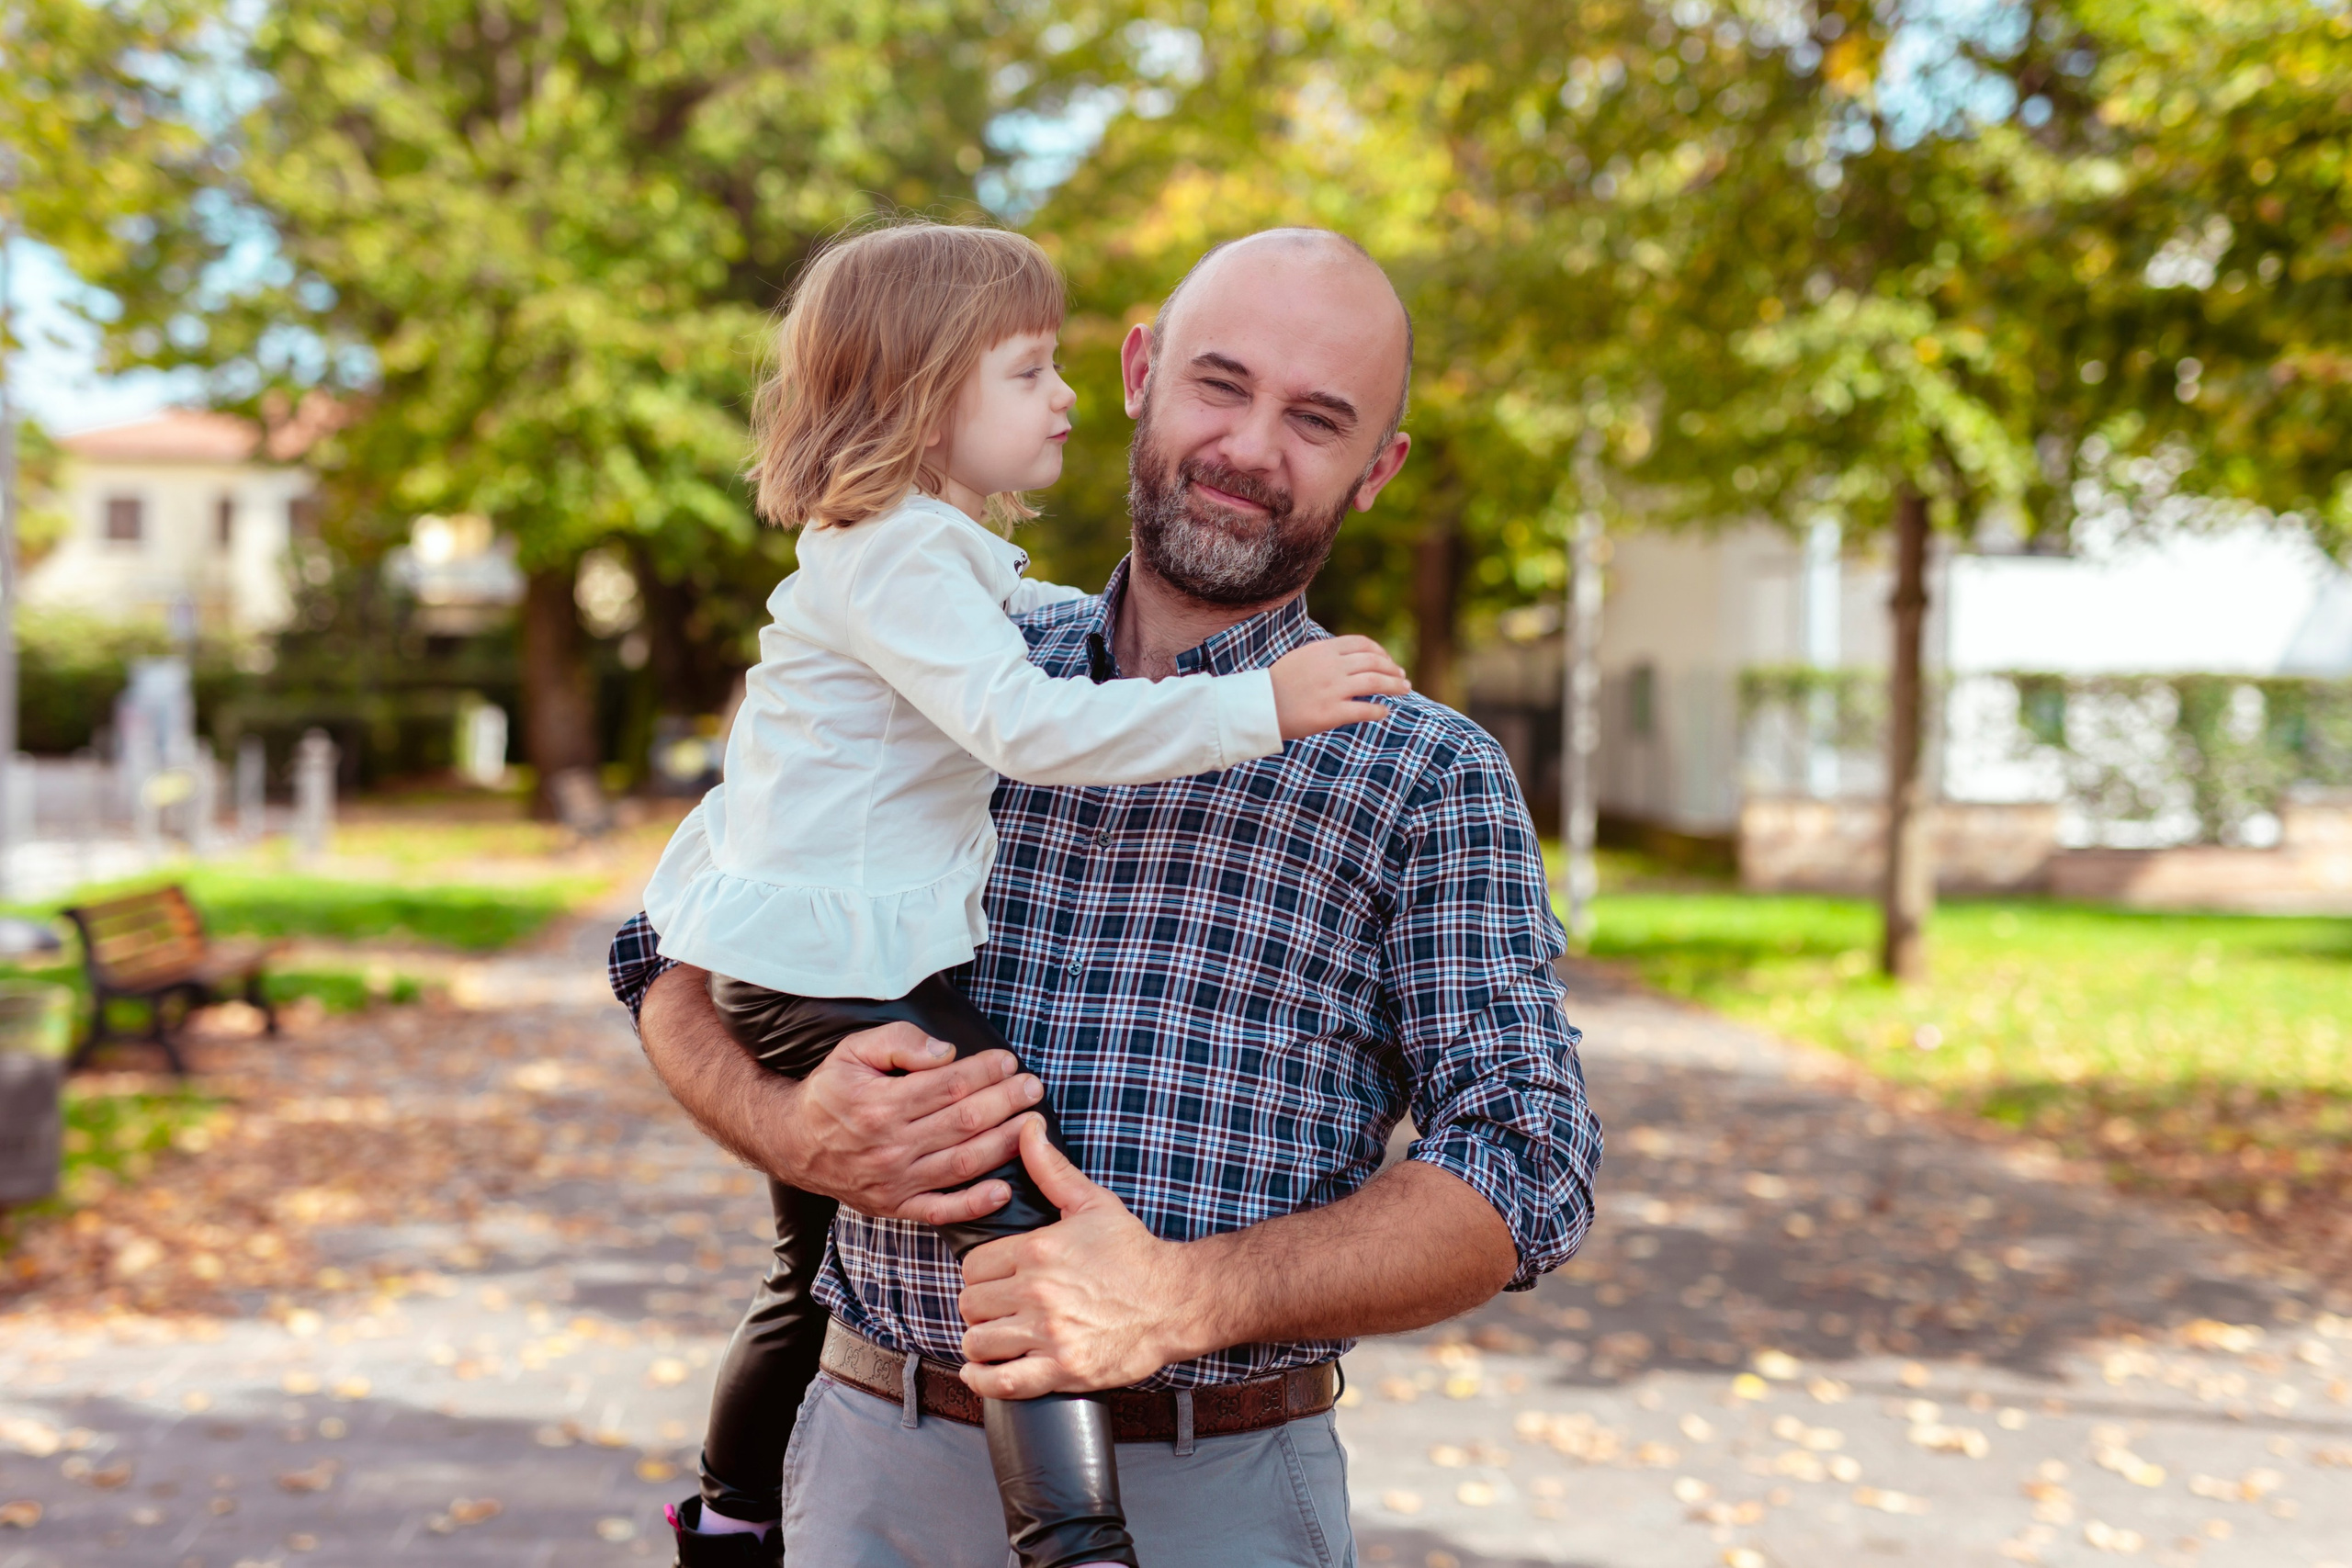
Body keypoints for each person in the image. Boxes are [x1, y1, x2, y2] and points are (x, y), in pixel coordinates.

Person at [612, 228, 1602, 1568]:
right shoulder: (946, 650)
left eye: (1317, 420)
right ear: (1137, 373)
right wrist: (790, 1125)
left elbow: (1525, 1171)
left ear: (1379, 471)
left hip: (1211, 1493)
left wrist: (1187, 1297)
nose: (1251, 447)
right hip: (868, 1471)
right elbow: (668, 954)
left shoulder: (1421, 773)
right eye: (1219, 383)